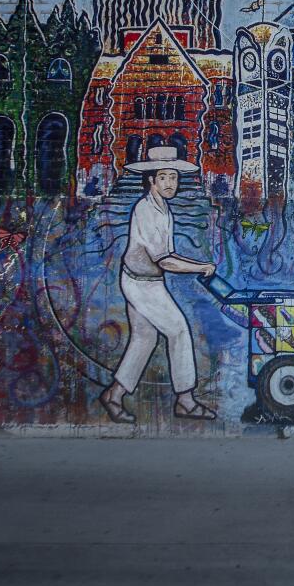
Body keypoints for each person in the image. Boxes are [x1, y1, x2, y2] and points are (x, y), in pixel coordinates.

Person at [99, 146, 219, 425]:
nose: (169, 183)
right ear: (150, 180)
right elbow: (165, 261)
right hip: (142, 284)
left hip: (142, 280)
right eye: (163, 177)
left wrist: (194, 265)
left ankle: (113, 395)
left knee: (144, 339)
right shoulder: (147, 211)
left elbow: (167, 257)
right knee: (178, 330)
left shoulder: (162, 208)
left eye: (174, 177)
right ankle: (186, 401)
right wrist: (200, 267)